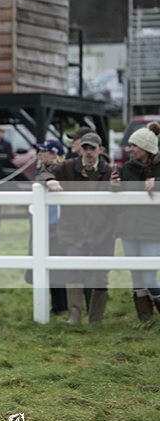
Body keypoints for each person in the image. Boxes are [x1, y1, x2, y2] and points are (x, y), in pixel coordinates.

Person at [37, 132, 114, 325]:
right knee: (73, 271)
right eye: (85, 148)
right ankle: (75, 315)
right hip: (75, 230)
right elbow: (44, 172)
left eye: (92, 148)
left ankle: (96, 319)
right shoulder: (69, 166)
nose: (88, 152)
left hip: (101, 231)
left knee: (100, 275)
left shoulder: (110, 171)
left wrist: (117, 188)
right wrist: (50, 180)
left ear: (100, 150)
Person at [110, 124, 160, 327]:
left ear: (146, 147)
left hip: (152, 228)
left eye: (135, 146)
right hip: (128, 227)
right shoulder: (128, 168)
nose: (131, 150)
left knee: (149, 275)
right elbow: (125, 192)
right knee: (136, 275)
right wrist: (115, 187)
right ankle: (145, 320)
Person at [31, 139, 68, 315]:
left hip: (57, 225)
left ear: (53, 153)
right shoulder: (42, 171)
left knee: (58, 267)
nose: (40, 154)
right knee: (48, 266)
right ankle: (57, 305)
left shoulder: (61, 170)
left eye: (44, 151)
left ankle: (61, 305)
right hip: (45, 224)